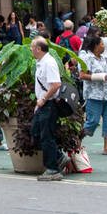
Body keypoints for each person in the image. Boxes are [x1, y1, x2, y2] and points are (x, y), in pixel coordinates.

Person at [31, 36, 63, 180]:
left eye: (32, 46)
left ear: (39, 49)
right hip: (42, 104)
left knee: (46, 136)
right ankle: (59, 157)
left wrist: (43, 99)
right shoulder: (40, 63)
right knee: (36, 132)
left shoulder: (49, 63)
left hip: (48, 104)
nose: (30, 49)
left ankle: (53, 169)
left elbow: (56, 84)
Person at [78, 32, 107, 155]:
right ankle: (76, 141)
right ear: (95, 46)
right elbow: (82, 75)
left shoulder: (103, 58)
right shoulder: (86, 58)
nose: (103, 45)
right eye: (101, 44)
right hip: (94, 95)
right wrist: (98, 77)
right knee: (93, 121)